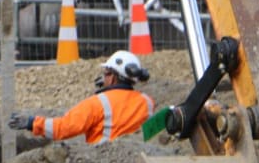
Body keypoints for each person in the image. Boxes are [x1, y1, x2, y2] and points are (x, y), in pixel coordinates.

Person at [8, 50, 155, 144]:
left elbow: (64, 128)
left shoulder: (97, 104)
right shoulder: (147, 102)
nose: (103, 78)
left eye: (106, 74)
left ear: (113, 77)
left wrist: (32, 123)